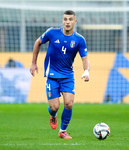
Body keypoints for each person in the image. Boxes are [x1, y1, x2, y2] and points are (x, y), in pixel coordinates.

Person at [30, 10, 90, 139]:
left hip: (67, 75)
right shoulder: (52, 32)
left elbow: (84, 58)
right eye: (65, 19)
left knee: (69, 103)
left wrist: (86, 71)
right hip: (51, 75)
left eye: (70, 19)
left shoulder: (79, 39)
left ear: (75, 21)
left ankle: (63, 131)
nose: (67, 22)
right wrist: (33, 63)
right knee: (55, 107)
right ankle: (53, 115)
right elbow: (37, 43)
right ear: (62, 21)